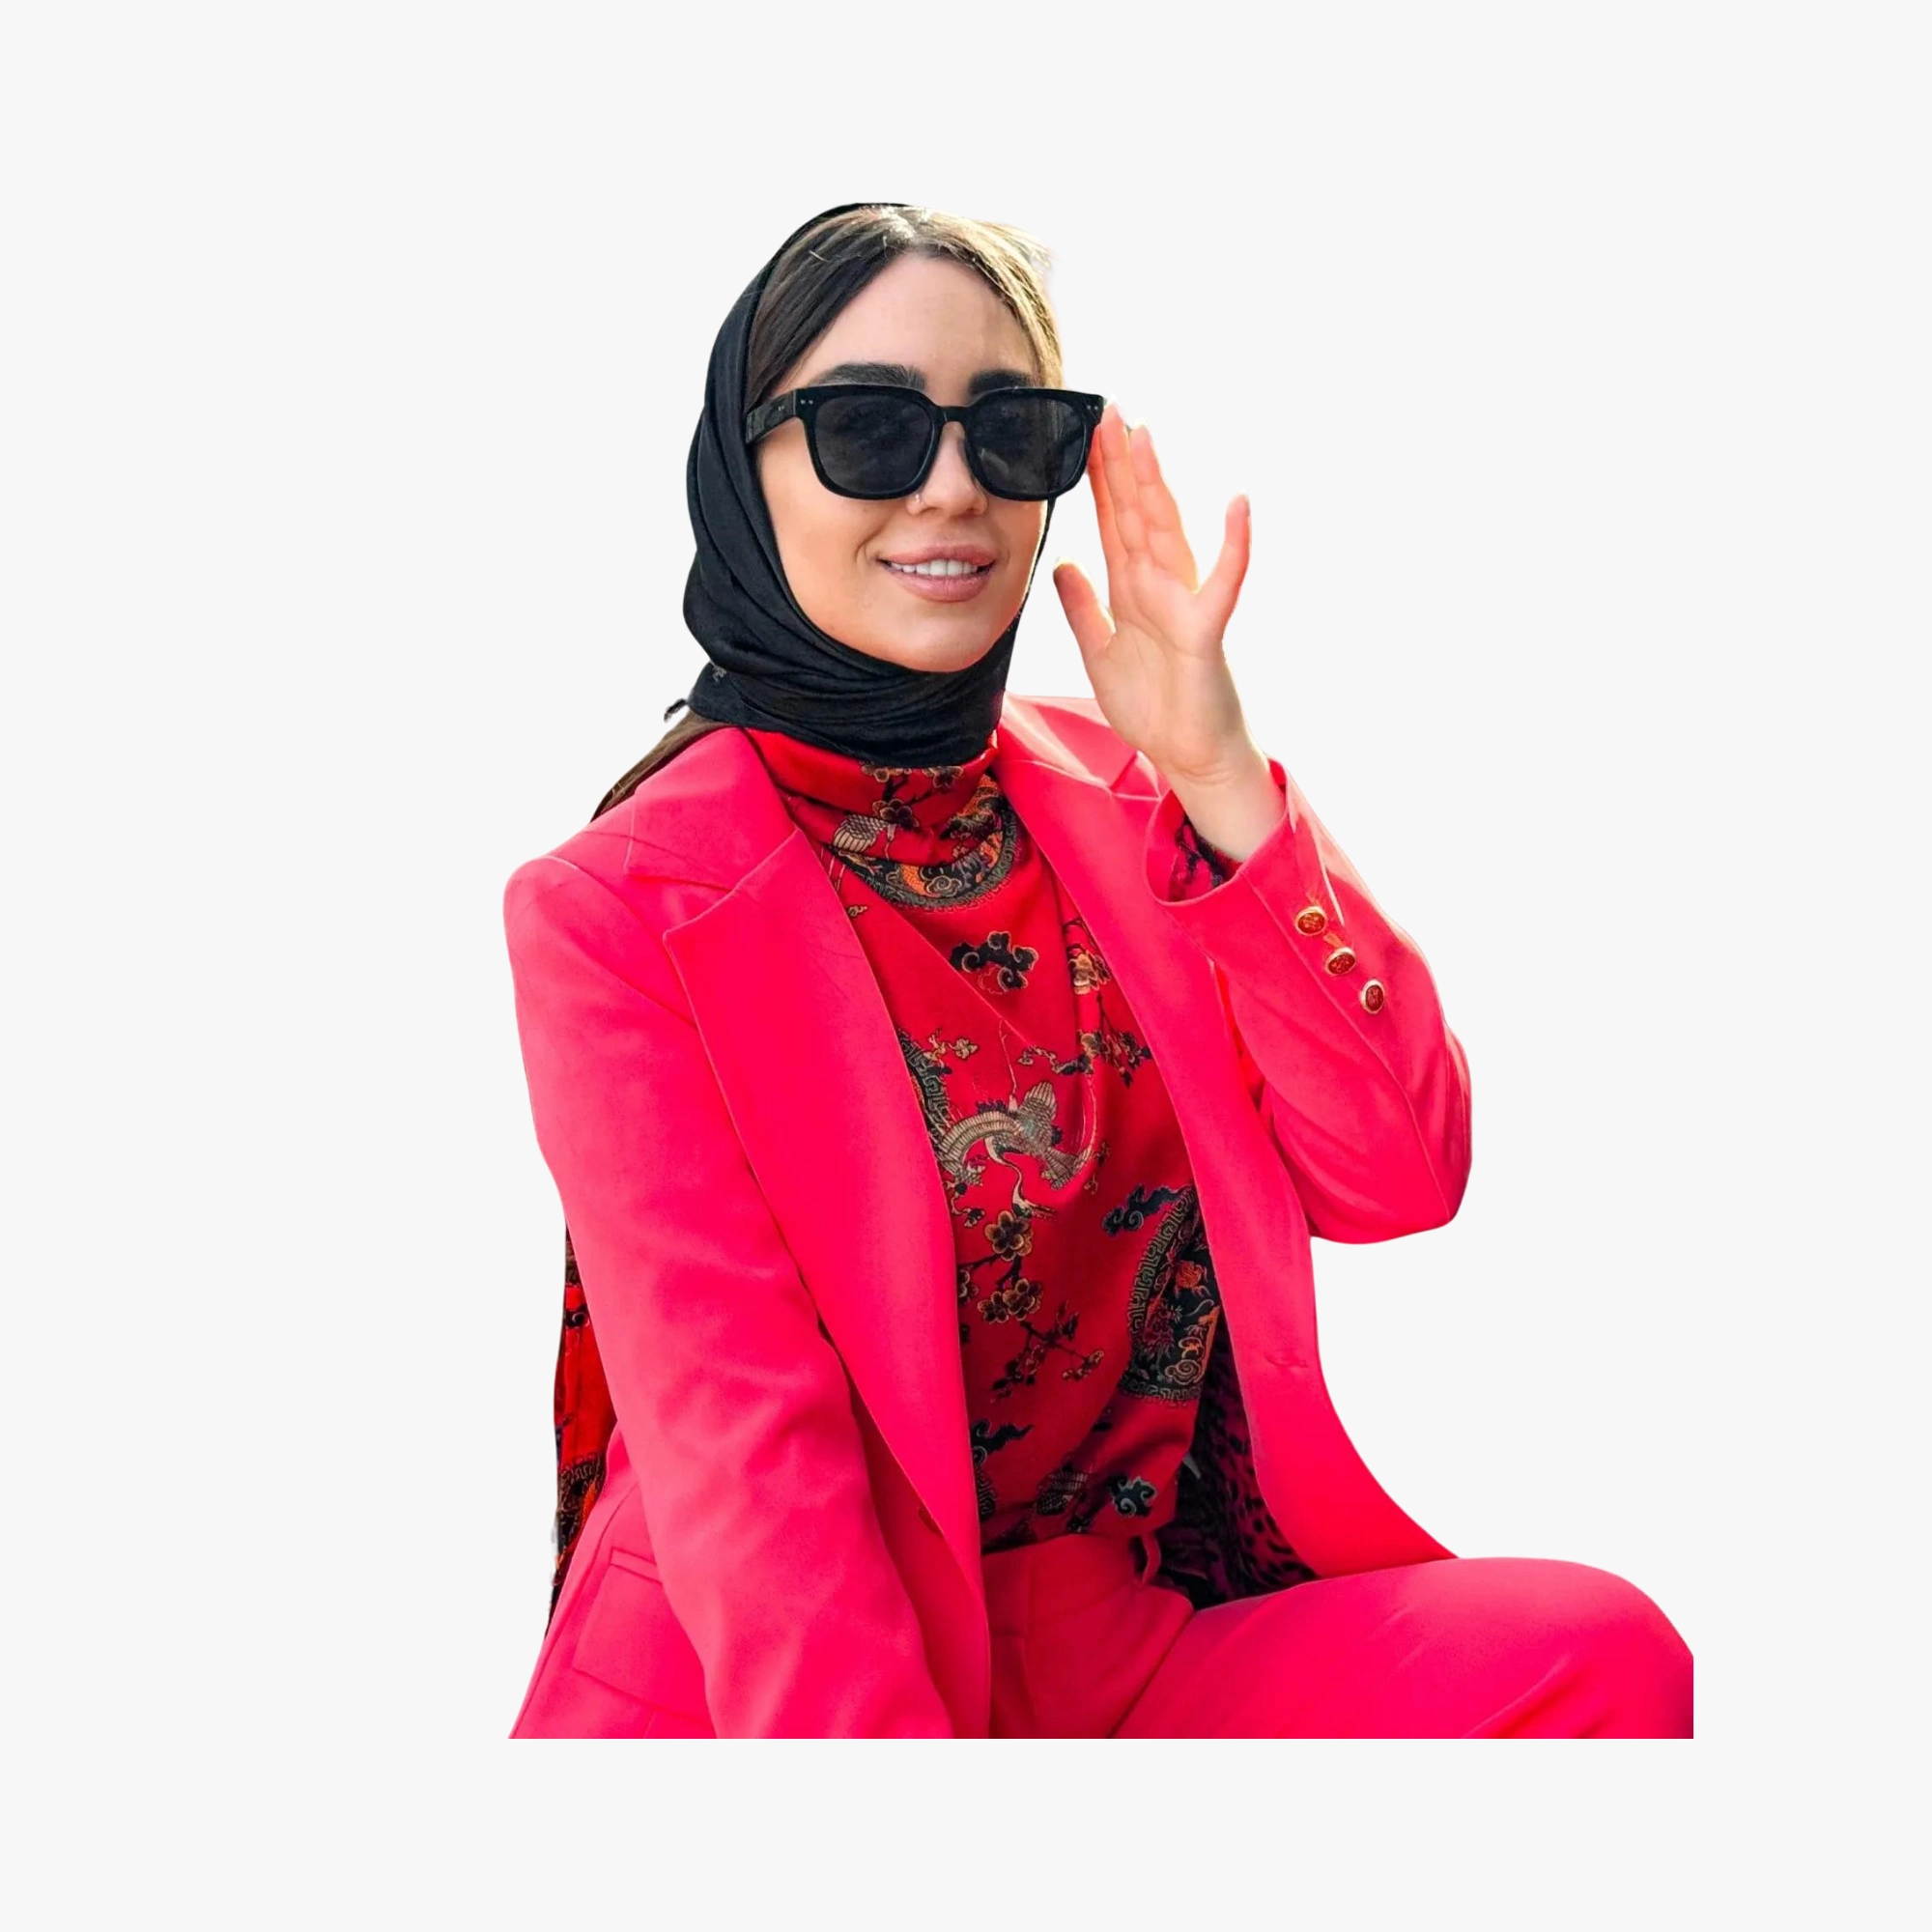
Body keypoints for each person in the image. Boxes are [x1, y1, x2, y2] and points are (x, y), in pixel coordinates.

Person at [499, 200, 1693, 1738]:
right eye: (869, 428)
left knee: (1601, 1660)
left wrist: (1217, 772)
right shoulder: (614, 910)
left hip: (1111, 1643)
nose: (952, 488)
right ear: (745, 469)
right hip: (778, 1679)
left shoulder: (1131, 796)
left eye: (1010, 432)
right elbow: (748, 1463)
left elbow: (1400, 1173)